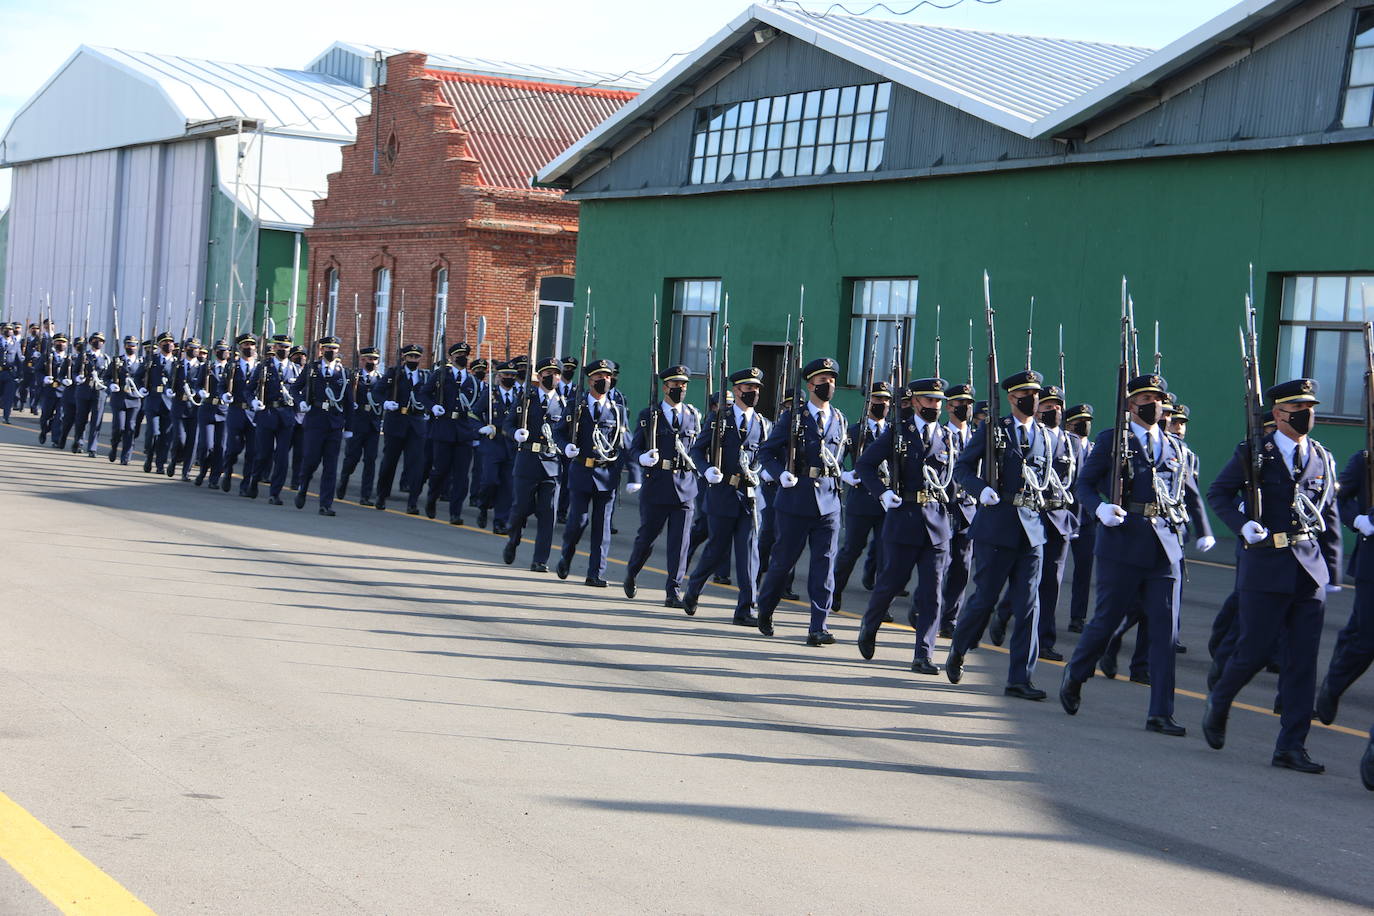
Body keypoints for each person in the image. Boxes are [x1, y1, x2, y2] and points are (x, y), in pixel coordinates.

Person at [1060, 373, 1212, 734]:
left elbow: (1188, 491)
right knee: (1106, 620)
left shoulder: (1174, 446)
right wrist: (1098, 509)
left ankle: (1161, 712)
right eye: (1147, 398)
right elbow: (1084, 483)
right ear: (1131, 405)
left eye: (1159, 398)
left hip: (1166, 546)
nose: (1155, 404)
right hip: (1123, 542)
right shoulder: (1113, 439)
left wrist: (1203, 530)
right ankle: (1076, 674)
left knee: (1164, 633)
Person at [1203, 378, 1340, 773]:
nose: (1307, 413)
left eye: (1310, 406)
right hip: (1266, 564)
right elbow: (1219, 494)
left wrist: (1331, 568)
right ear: (1278, 414)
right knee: (1255, 650)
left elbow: (1326, 514)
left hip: (1308, 568)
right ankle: (1221, 699)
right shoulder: (1253, 452)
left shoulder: (1320, 457)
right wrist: (1243, 524)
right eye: (1298, 407)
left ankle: (1291, 746)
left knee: (1302, 662)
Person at [945, 369, 1052, 700]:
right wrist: (981, 490)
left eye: (1036, 394)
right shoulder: (993, 430)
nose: (1033, 399)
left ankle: (1020, 678)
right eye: (1026, 393)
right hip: (997, 525)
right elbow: (962, 468)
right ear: (1011, 398)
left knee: (1028, 606)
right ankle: (959, 649)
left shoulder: (1047, 436)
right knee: (984, 600)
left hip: (1031, 528)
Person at [855, 377, 954, 673]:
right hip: (904, 518)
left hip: (937, 522)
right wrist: (883, 492)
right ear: (914, 402)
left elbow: (955, 475)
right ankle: (870, 626)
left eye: (938, 401)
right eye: (929, 401)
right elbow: (864, 465)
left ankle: (923, 654)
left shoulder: (948, 437)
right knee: (890, 584)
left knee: (932, 592)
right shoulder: (898, 432)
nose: (935, 406)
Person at [755, 357, 848, 645]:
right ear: (810, 385)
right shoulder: (793, 417)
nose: (828, 386)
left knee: (824, 567)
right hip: (796, 500)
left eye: (832, 381)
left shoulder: (840, 419)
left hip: (829, 503)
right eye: (822, 382)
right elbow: (766, 452)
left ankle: (818, 627)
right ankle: (766, 608)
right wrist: (780, 474)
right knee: (783, 563)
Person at [682, 366, 771, 624]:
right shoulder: (719, 419)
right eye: (748, 388)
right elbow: (698, 450)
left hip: (750, 497)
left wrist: (765, 472)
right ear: (736, 390)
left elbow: (768, 455)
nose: (753, 392)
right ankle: (694, 587)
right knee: (716, 551)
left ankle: (746, 609)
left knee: (749, 554)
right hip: (723, 493)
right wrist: (706, 469)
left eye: (756, 388)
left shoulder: (764, 424)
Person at [623, 365, 701, 608]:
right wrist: (642, 458)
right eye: (676, 385)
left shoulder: (693, 415)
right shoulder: (650, 415)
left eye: (684, 385)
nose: (681, 389)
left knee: (680, 544)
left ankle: (673, 590)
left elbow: (699, 448)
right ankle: (632, 571)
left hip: (686, 487)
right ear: (665, 387)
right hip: (657, 484)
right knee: (647, 538)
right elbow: (634, 447)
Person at [1314, 438, 1374, 729]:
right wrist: (1359, 520)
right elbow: (1338, 498)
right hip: (1373, 564)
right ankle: (1333, 686)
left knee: (1358, 629)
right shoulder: (1366, 460)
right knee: (1367, 640)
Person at [556, 359, 629, 586]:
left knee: (602, 527)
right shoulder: (576, 405)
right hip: (581, 470)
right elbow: (559, 433)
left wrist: (636, 471)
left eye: (607, 377)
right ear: (590, 381)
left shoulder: (617, 410)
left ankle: (596, 573)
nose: (604, 381)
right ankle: (566, 556)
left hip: (607, 474)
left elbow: (626, 443)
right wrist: (564, 446)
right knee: (577, 522)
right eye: (599, 378)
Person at [832, 382, 894, 612]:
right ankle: (835, 591)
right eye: (878, 400)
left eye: (886, 401)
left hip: (886, 499)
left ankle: (882, 605)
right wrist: (845, 474)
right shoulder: (855, 431)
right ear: (868, 402)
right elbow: (836, 458)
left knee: (886, 553)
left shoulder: (893, 431)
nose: (883, 405)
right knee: (852, 550)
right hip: (862, 498)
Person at [501, 355, 565, 572]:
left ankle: (540, 560)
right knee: (520, 508)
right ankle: (513, 539)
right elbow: (507, 424)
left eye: (556, 374)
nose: (553, 377)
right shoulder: (526, 398)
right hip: (527, 460)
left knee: (549, 513)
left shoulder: (565, 403)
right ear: (540, 376)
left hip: (552, 463)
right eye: (548, 373)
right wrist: (515, 433)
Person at [421, 342, 481, 525]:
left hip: (464, 431)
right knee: (440, 471)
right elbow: (424, 394)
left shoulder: (473, 382)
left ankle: (456, 512)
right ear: (451, 358)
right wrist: (433, 407)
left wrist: (477, 432)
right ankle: (432, 499)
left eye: (465, 355)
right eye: (458, 355)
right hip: (444, 428)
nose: (462, 358)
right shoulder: (440, 375)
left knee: (462, 476)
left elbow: (478, 407)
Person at [291, 336, 352, 515]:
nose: (331, 351)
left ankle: (325, 504)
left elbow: (348, 401)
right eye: (327, 348)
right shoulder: (312, 369)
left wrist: (349, 427)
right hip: (315, 420)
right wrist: (301, 402)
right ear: (321, 350)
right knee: (310, 460)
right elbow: (295, 388)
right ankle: (303, 487)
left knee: (331, 466)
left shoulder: (343, 372)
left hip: (334, 422)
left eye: (334, 348)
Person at [373, 344, 431, 514]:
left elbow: (428, 395)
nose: (413, 360)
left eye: (416, 357)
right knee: (389, 462)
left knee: (416, 464)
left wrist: (430, 408)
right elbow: (377, 392)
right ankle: (382, 496)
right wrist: (386, 403)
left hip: (417, 423)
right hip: (396, 421)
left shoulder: (424, 376)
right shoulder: (394, 373)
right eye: (410, 357)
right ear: (404, 358)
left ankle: (412, 502)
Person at [939, 383, 977, 639]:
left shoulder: (978, 438)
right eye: (961, 403)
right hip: (943, 507)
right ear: (949, 406)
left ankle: (950, 618)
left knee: (962, 568)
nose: (966, 408)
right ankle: (924, 607)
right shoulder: (940, 435)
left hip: (968, 510)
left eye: (969, 404)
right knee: (938, 564)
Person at [248, 334, 300, 504]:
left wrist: (302, 403)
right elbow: (249, 390)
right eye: (279, 346)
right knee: (263, 454)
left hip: (286, 416)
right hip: (267, 413)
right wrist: (253, 401)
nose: (282, 349)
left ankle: (275, 493)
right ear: (274, 348)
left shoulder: (295, 369)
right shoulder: (264, 366)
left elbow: (301, 391)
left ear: (290, 348)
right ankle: (254, 481)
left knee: (282, 456)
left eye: (285, 347)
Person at [475, 360, 521, 533]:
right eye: (506, 375)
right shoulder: (489, 394)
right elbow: (474, 413)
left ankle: (500, 521)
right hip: (493, 443)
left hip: (511, 444)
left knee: (508, 485)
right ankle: (483, 505)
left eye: (512, 375)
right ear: (499, 376)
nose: (509, 378)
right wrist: (481, 428)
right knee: (490, 480)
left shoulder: (520, 395)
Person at [336, 346, 383, 506]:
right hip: (357, 422)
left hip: (373, 424)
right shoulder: (353, 377)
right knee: (352, 458)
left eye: (375, 359)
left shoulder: (381, 379)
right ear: (362, 360)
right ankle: (344, 479)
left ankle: (366, 495)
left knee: (370, 460)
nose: (372, 362)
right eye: (369, 359)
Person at [1063, 404, 1096, 633]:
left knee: (1083, 571)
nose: (1084, 425)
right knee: (1047, 570)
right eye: (1078, 421)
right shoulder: (1061, 446)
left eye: (1087, 420)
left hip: (1086, 519)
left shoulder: (1095, 449)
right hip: (1063, 516)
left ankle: (1078, 617)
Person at [219, 334, 260, 495]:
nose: (248, 348)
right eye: (245, 345)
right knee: (233, 449)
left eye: (251, 345)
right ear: (240, 347)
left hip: (253, 414)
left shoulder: (261, 367)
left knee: (252, 451)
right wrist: (224, 395)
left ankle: (245, 484)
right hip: (236, 411)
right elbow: (222, 387)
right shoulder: (232, 366)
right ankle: (228, 472)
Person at [193, 340, 231, 486]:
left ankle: (214, 478)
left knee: (221, 447)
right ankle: (203, 470)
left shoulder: (232, 368)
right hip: (208, 409)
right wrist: (200, 391)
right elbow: (197, 385)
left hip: (224, 410)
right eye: (220, 350)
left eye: (226, 350)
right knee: (206, 445)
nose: (223, 353)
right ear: (215, 352)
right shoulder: (207, 366)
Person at [138, 333, 177, 472]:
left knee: (166, 436)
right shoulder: (151, 360)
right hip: (153, 400)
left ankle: (160, 464)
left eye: (171, 342)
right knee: (153, 433)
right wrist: (141, 388)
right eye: (165, 342)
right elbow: (138, 376)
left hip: (169, 403)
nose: (168, 344)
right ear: (159, 345)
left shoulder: (177, 363)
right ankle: (149, 456)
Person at [70, 331, 111, 457]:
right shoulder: (83, 356)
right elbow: (74, 371)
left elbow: (109, 376)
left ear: (103, 343)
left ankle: (92, 447)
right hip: (84, 390)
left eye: (100, 340)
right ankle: (78, 442)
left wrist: (108, 388)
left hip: (99, 392)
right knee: (81, 419)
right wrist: (77, 378)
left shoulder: (106, 359)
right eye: (95, 340)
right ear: (90, 342)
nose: (97, 342)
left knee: (96, 421)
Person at [36, 332, 73, 446]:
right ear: (54, 343)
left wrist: (70, 381)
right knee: (46, 416)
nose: (61, 344)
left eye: (63, 342)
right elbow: (38, 370)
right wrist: (44, 378)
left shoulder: (69, 358)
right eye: (58, 342)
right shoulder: (47, 356)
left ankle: (55, 440)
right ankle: (44, 430)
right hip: (49, 391)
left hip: (63, 392)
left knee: (60, 417)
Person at [0, 323, 22, 424]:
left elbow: (18, 360)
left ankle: (6, 416)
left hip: (9, 373)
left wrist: (19, 375)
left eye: (10, 329)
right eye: (6, 329)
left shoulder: (16, 344)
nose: (8, 331)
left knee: (8, 397)